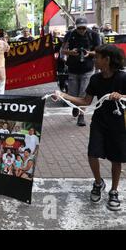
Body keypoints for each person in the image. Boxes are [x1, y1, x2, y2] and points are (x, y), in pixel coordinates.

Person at [53, 44, 125, 211]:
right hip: (99, 122)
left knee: (117, 158)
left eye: (97, 58)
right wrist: (64, 95)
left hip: (119, 123)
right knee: (93, 153)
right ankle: (98, 183)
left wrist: (120, 96)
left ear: (106, 60)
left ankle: (114, 191)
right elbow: (85, 101)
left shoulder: (122, 78)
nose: (94, 60)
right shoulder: (95, 79)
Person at [62, 17, 101, 126]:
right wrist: (71, 52)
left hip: (87, 69)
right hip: (73, 69)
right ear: (76, 27)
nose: (82, 30)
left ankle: (81, 115)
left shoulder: (93, 35)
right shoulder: (70, 34)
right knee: (73, 93)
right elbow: (63, 50)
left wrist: (89, 53)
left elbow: (99, 51)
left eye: (84, 28)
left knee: (83, 93)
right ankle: (75, 106)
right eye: (79, 28)